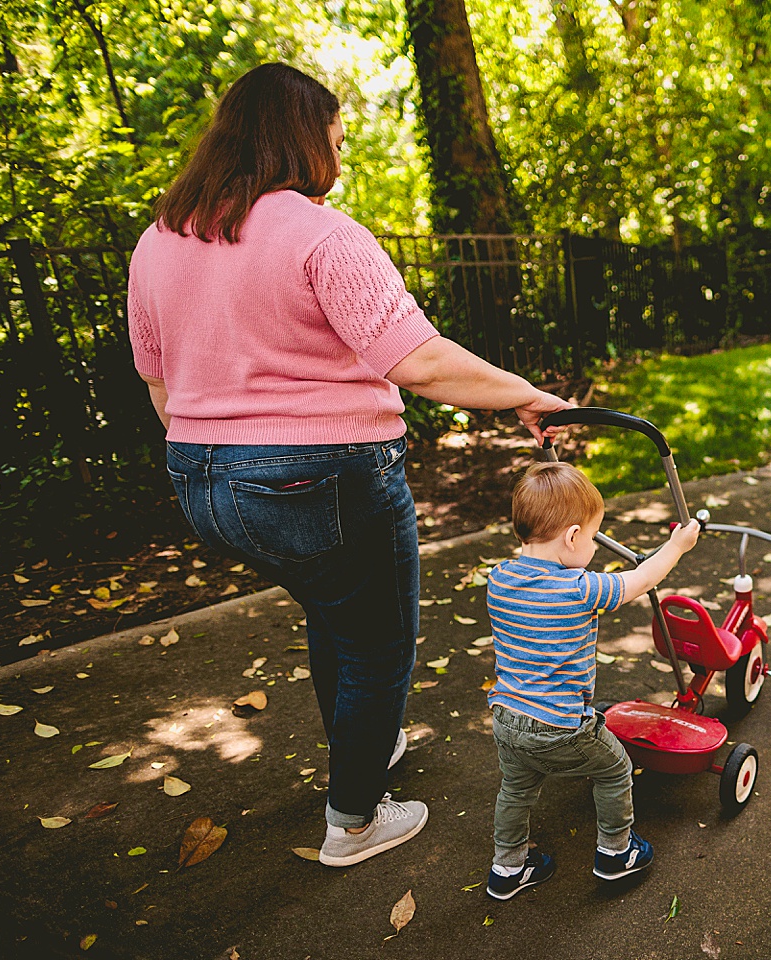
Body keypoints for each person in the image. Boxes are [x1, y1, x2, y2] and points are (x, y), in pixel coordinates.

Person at [126, 62, 572, 868]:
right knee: (376, 646)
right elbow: (421, 361)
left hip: (201, 482)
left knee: (334, 610)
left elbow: (157, 382)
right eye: (335, 137)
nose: (339, 155)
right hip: (319, 478)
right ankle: (355, 822)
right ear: (303, 139)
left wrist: (224, 458)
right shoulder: (323, 235)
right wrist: (523, 395)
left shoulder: (160, 240)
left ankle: (367, 746)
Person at [483, 462, 700, 900]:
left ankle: (507, 868)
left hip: (507, 715)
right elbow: (641, 579)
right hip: (559, 723)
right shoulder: (581, 588)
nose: (595, 551)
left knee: (517, 788)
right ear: (571, 537)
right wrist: (676, 546)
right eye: (594, 538)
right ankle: (615, 853)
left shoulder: (499, 578)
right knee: (615, 768)